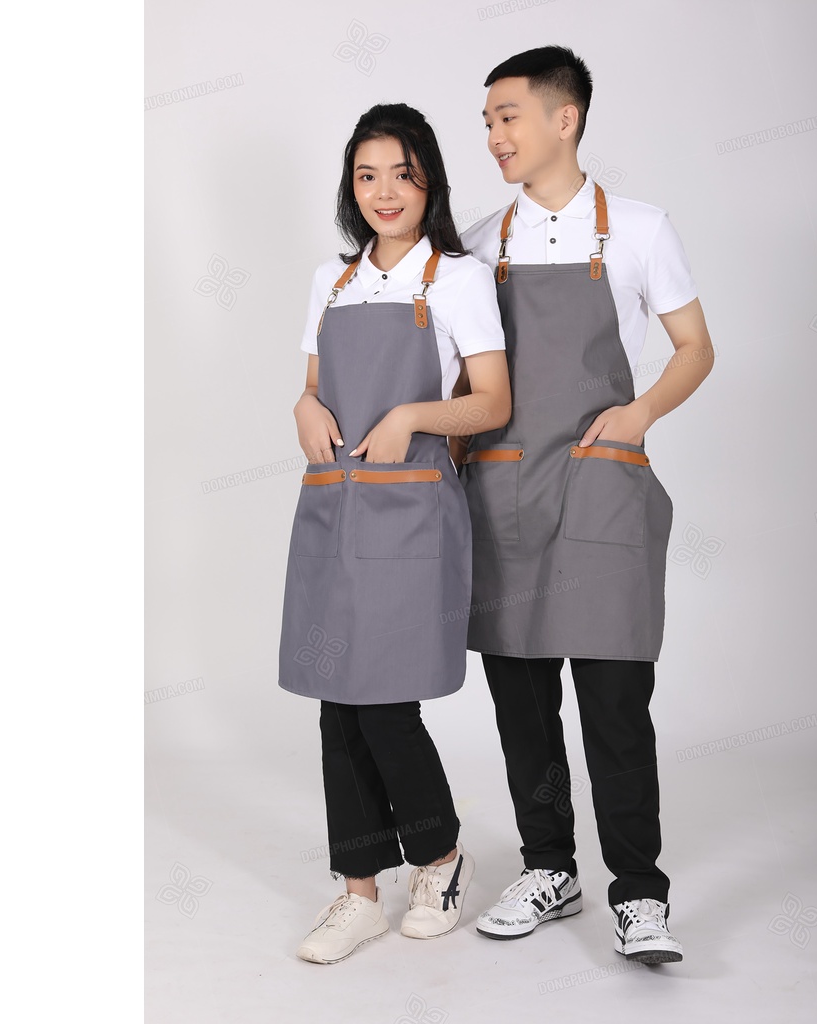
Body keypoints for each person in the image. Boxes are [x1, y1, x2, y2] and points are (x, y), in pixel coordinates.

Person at [452, 46, 714, 965]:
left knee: (614, 704)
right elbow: (464, 376)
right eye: (488, 121)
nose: (494, 136)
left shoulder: (639, 230)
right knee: (523, 707)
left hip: (600, 485)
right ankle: (549, 869)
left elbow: (694, 346)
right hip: (504, 492)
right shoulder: (479, 244)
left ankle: (638, 894)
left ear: (564, 119)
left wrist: (638, 415)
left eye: (508, 117)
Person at [278, 102, 511, 965]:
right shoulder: (332, 281)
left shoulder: (456, 279)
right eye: (367, 175)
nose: (384, 192)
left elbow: (493, 402)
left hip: (412, 511)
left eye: (402, 175)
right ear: (351, 186)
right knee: (338, 698)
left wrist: (412, 414)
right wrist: (303, 406)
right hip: (336, 503)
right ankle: (359, 893)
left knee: (382, 700)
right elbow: (313, 384)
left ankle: (441, 859)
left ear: (429, 183)